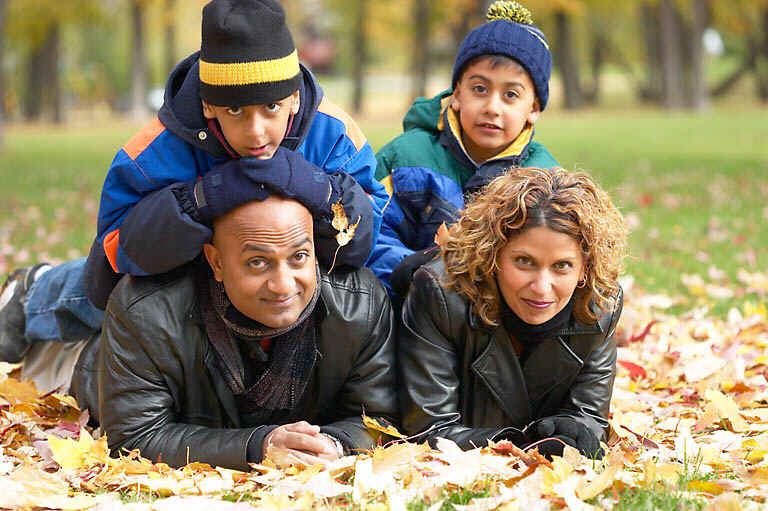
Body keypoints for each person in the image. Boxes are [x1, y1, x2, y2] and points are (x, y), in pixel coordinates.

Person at [0, 0, 390, 364]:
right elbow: (112, 259)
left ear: (292, 99)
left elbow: (369, 235)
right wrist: (201, 199)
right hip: (192, 269)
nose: (256, 133)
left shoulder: (334, 133)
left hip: (278, 271)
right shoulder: (154, 150)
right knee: (146, 291)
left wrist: (318, 189)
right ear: (208, 104)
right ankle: (37, 293)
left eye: (271, 107)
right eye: (235, 110)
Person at [34, 164, 396, 470]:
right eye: (258, 262)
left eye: (299, 257)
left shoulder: (360, 307)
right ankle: (28, 289)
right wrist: (259, 446)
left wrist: (335, 444)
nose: (284, 285)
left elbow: (378, 418)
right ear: (216, 262)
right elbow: (136, 436)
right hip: (77, 366)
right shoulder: (144, 311)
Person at [398, 167, 627, 459]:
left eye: (562, 266)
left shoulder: (600, 304)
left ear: (585, 267)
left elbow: (589, 419)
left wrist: (575, 434)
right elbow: (428, 431)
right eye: (524, 261)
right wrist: (524, 443)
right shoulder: (442, 294)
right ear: (492, 255)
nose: (542, 288)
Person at [368, 1, 559, 296]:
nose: (492, 107)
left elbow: (558, 260)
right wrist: (425, 269)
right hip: (410, 304)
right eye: (479, 89)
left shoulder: (544, 180)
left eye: (510, 95)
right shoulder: (407, 157)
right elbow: (370, 233)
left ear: (533, 108)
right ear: (457, 94)